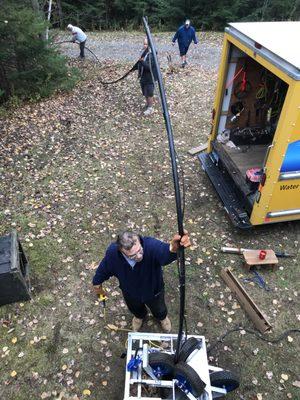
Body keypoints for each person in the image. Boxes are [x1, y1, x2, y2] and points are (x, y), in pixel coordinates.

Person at [92, 231, 191, 332]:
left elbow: (165, 253)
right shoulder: (113, 254)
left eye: (140, 250)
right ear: (121, 251)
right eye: (132, 256)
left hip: (154, 290)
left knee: (159, 308)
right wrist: (98, 287)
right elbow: (102, 272)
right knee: (135, 308)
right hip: (130, 292)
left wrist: (173, 249)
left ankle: (162, 318)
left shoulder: (150, 245)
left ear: (139, 240)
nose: (139, 256)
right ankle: (139, 316)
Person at [133, 38, 158, 116]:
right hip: (143, 76)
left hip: (150, 77)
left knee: (149, 92)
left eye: (146, 44)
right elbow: (140, 63)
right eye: (144, 44)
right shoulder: (144, 52)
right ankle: (148, 105)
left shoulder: (152, 54)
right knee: (145, 92)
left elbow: (149, 67)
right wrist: (135, 68)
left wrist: (142, 61)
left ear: (150, 45)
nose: (144, 45)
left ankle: (150, 108)